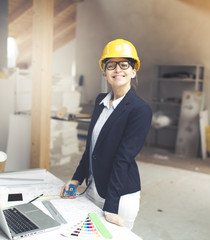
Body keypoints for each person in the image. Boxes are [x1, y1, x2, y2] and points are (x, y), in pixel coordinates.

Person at [61, 39, 152, 229]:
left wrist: (111, 206)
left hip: (119, 196)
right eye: (111, 65)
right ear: (105, 73)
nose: (118, 69)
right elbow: (91, 148)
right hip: (93, 188)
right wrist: (76, 179)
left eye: (124, 64)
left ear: (133, 70)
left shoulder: (140, 109)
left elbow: (123, 158)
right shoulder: (100, 101)